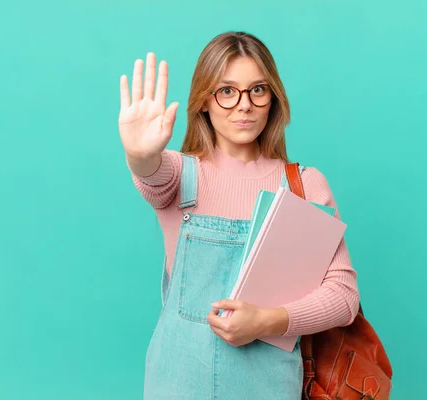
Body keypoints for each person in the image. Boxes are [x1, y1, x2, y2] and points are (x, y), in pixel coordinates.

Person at [118, 31, 360, 400]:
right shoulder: (179, 175)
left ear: (272, 99)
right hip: (176, 385)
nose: (243, 105)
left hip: (268, 387)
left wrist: (267, 321)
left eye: (257, 90)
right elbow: (151, 173)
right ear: (204, 101)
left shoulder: (303, 186)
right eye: (227, 91)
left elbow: (344, 298)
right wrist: (138, 154)